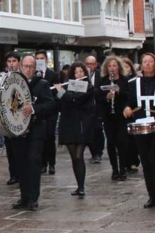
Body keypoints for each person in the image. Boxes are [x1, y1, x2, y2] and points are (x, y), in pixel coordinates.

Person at [123, 53, 155, 209]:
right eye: (145, 62)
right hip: (140, 127)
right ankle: (151, 195)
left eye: (150, 62)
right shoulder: (133, 83)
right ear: (141, 65)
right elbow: (127, 102)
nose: (147, 64)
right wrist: (127, 109)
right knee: (145, 161)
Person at [12, 56, 57, 210]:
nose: (28, 69)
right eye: (25, 66)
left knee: (33, 162)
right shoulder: (15, 83)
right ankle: (24, 197)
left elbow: (51, 104)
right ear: (20, 67)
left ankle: (33, 198)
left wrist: (34, 108)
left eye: (31, 66)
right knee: (21, 163)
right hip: (20, 130)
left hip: (36, 129)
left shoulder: (42, 84)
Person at [55, 62, 95, 197]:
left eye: (81, 72)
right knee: (74, 157)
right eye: (76, 72)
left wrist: (61, 93)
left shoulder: (89, 87)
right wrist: (60, 93)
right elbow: (61, 104)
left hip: (82, 125)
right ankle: (79, 186)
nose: (79, 74)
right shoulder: (68, 86)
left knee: (79, 155)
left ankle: (82, 187)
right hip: (69, 124)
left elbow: (75, 100)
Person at [97, 56, 129, 181]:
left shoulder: (124, 80)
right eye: (110, 66)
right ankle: (114, 169)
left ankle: (123, 168)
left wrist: (119, 92)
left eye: (114, 66)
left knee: (122, 142)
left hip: (121, 115)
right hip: (108, 115)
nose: (112, 68)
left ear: (118, 67)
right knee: (110, 142)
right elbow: (98, 97)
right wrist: (107, 98)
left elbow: (128, 95)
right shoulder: (103, 80)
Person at [35, 49, 59, 175]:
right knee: (41, 137)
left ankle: (52, 163)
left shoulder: (53, 75)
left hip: (50, 112)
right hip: (39, 111)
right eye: (37, 58)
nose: (39, 61)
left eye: (41, 58)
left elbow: (58, 92)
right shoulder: (34, 75)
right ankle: (42, 163)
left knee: (50, 136)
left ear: (46, 60)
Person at [4, 51, 21, 185]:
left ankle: (21, 172)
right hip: (8, 115)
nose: (11, 64)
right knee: (9, 147)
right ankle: (13, 174)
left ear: (18, 63)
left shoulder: (22, 76)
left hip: (20, 115)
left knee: (19, 147)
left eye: (14, 61)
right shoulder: (4, 77)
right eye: (9, 62)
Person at [84, 55, 104, 164]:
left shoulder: (100, 75)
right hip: (86, 108)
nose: (89, 66)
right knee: (89, 131)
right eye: (87, 64)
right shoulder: (82, 76)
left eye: (91, 64)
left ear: (95, 65)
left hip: (97, 107)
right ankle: (93, 152)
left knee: (98, 130)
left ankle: (98, 153)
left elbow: (102, 91)